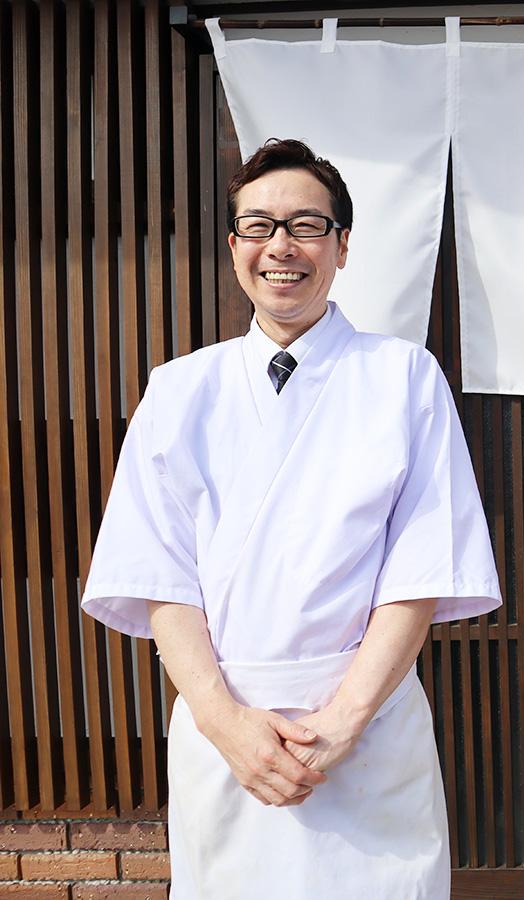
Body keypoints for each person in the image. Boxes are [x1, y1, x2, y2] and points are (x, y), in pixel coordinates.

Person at [82, 138, 501, 899]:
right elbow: (159, 574)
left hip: (366, 733)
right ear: (236, 244)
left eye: (307, 226)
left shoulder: (404, 376)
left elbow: (422, 568)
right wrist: (224, 722)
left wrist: (344, 720)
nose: (282, 247)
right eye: (258, 226)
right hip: (227, 732)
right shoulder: (179, 390)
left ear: (343, 246)